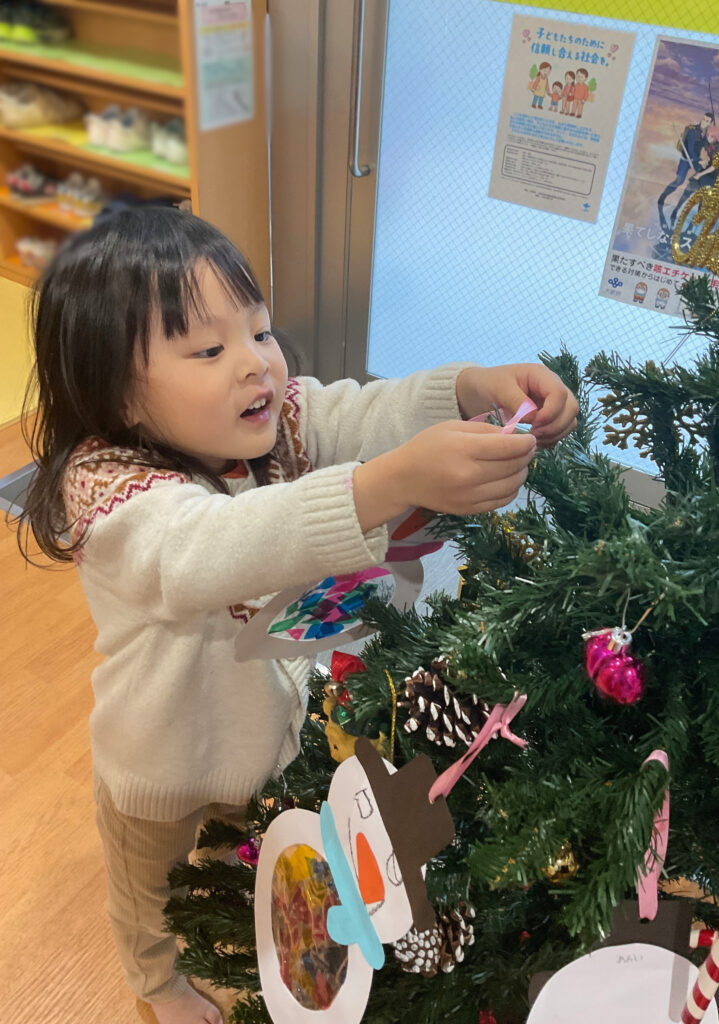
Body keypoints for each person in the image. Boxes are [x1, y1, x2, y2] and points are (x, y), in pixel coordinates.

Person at [17, 208, 578, 1024]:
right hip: (160, 756)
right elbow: (215, 547)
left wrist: (467, 387)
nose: (257, 366)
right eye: (209, 350)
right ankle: (155, 984)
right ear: (119, 395)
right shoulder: (111, 493)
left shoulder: (272, 424)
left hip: (269, 735)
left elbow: (357, 411)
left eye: (261, 332)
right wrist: (385, 484)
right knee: (148, 892)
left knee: (246, 863)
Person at [657, 112, 714, 232]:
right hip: (686, 159)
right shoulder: (693, 130)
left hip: (695, 161)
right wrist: (700, 161)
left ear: (711, 123)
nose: (704, 122)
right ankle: (662, 197)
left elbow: (703, 146)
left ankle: (700, 209)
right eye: (704, 119)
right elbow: (691, 149)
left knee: (704, 180)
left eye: (708, 121)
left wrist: (709, 143)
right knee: (679, 181)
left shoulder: (705, 133)